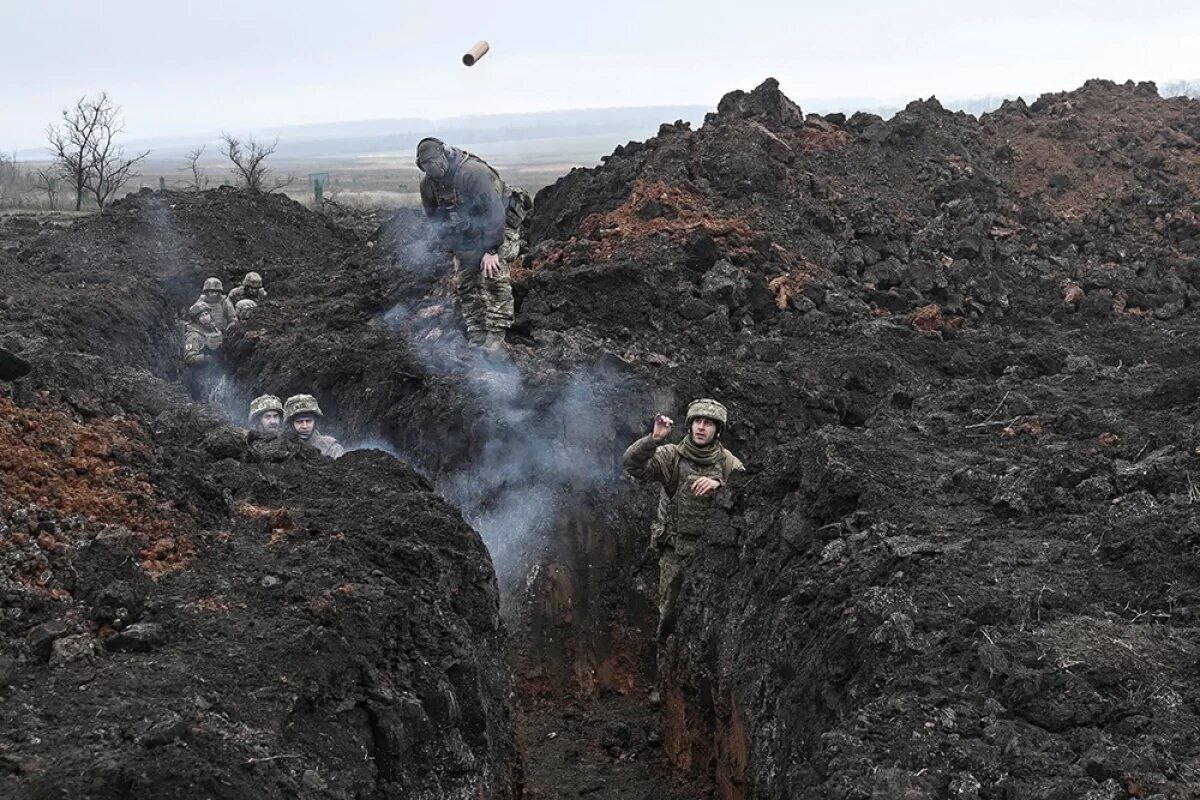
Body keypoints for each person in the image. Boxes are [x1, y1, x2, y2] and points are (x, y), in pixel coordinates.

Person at [622, 399, 745, 640]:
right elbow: (631, 466)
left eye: (708, 423)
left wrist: (721, 485)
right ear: (689, 426)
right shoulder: (671, 457)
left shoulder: (729, 463)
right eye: (697, 421)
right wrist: (653, 440)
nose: (701, 427)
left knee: (709, 626)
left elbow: (751, 494)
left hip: (713, 558)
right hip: (675, 553)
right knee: (668, 618)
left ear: (718, 430)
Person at [416, 137, 528, 349]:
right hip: (467, 232)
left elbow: (494, 213)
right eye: (426, 165)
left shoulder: (473, 173)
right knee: (466, 282)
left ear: (446, 154)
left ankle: (496, 335)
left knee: (493, 275)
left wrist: (492, 249)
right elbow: (436, 220)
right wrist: (454, 248)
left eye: (434, 161)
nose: (432, 168)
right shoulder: (428, 186)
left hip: (498, 224)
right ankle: (477, 332)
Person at [182, 302, 223, 401]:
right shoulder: (194, 336)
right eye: (201, 316)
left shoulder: (215, 329)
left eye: (206, 314)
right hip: (201, 376)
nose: (205, 318)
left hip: (217, 372)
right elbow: (189, 357)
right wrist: (205, 358)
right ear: (196, 319)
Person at [283, 394, 345, 459]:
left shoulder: (331, 448)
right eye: (299, 422)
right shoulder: (282, 449)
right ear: (291, 424)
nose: (304, 426)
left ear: (315, 422)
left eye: (308, 421)